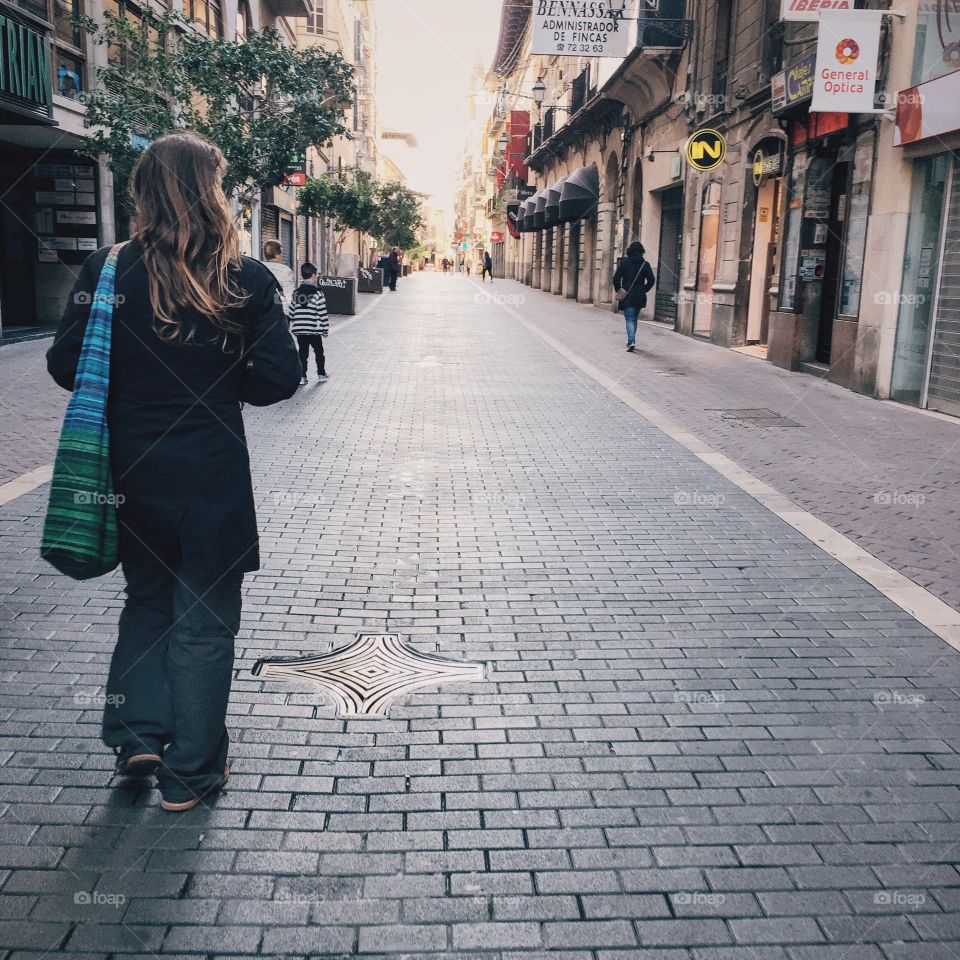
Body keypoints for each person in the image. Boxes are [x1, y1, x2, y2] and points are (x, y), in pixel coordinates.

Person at [46, 132, 302, 812]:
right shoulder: (244, 277)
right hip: (211, 476)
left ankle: (137, 737)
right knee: (206, 622)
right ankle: (189, 775)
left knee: (148, 601)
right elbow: (279, 378)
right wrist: (224, 378)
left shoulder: (107, 268)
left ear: (143, 189)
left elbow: (66, 365)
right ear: (210, 190)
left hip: (128, 472)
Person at [289, 262, 329, 385]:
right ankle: (321, 374)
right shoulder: (318, 293)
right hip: (314, 330)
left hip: (300, 329)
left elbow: (291, 310)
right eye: (316, 275)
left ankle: (302, 376)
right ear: (313, 275)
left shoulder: (296, 292)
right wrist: (325, 328)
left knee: (302, 353)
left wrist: (291, 321)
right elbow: (322, 312)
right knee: (319, 352)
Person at [612, 241, 656, 352]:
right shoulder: (645, 264)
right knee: (634, 318)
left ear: (629, 251)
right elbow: (651, 280)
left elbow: (616, 278)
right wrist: (644, 289)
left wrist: (619, 290)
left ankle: (631, 341)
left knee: (629, 319)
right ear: (641, 251)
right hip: (640, 295)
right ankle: (631, 340)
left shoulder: (624, 263)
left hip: (627, 294)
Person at [262, 239, 296, 312]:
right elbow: (289, 296)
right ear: (276, 255)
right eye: (281, 254)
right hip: (279, 313)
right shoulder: (285, 271)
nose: (282, 256)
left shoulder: (258, 267)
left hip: (261, 312)